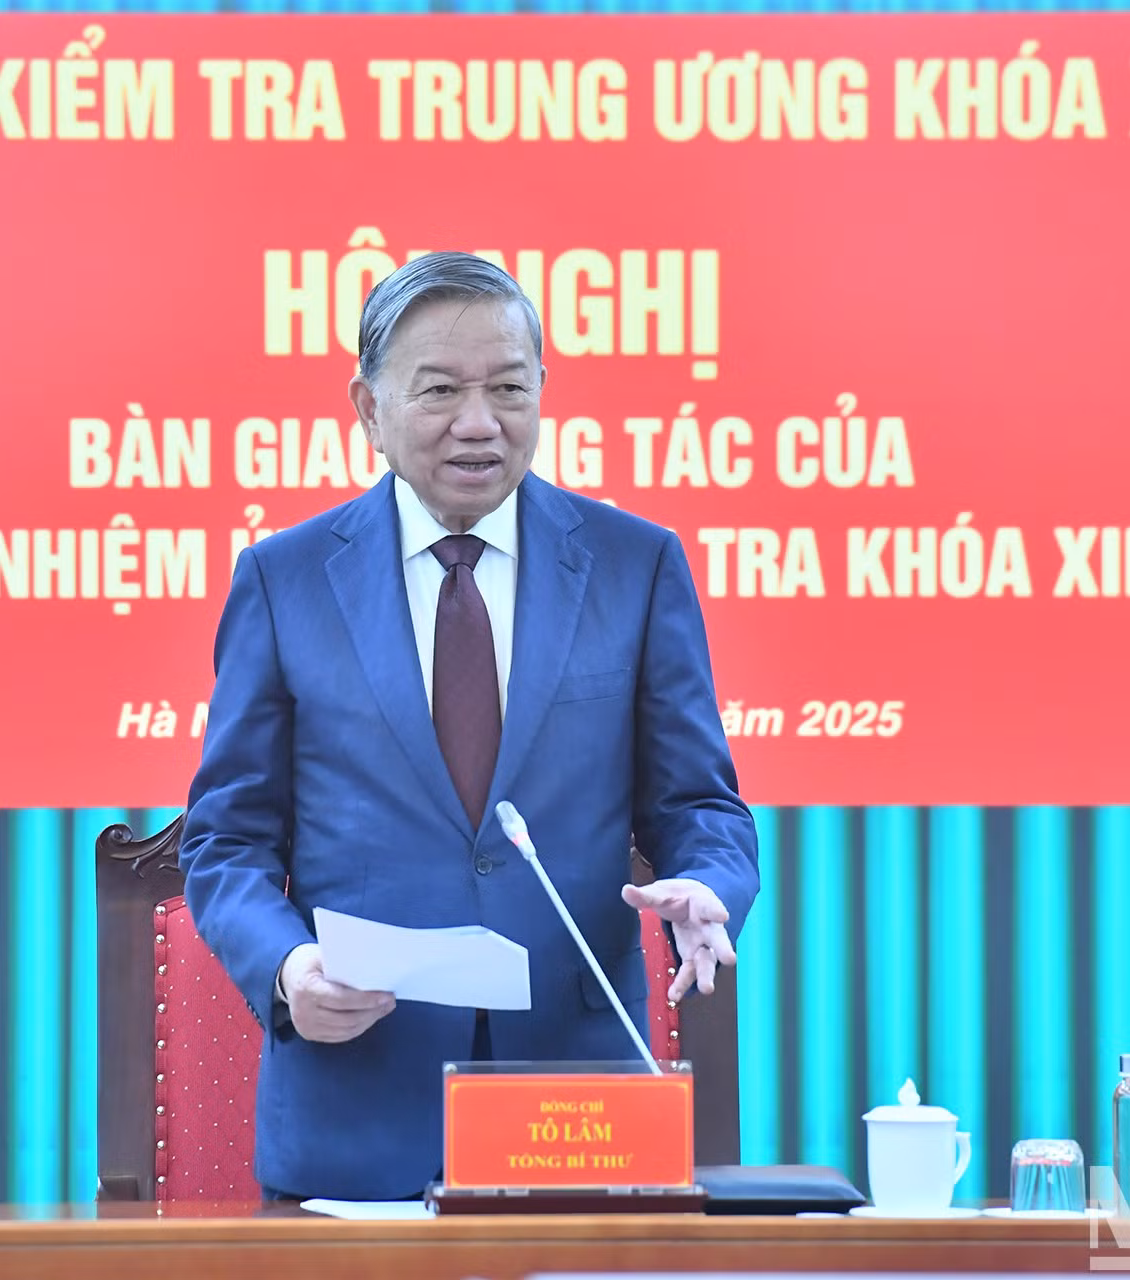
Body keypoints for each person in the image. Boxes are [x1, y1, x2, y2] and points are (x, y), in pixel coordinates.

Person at [178, 251, 759, 1201]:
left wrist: (706, 884)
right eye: (440, 390)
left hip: (576, 1117)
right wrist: (287, 968)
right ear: (368, 409)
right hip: (359, 1111)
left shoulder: (634, 565)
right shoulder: (284, 582)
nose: (480, 423)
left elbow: (702, 805)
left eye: (508, 388)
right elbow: (227, 841)